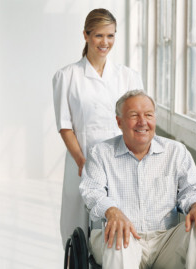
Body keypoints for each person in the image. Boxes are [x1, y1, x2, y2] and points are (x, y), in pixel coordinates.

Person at [80, 90, 196, 268]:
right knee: (119, 232)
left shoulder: (176, 152)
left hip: (165, 241)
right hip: (122, 238)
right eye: (134, 115)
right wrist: (112, 211)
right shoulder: (101, 153)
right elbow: (92, 191)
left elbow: (192, 190)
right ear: (119, 122)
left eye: (148, 115)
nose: (143, 122)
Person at [52, 8, 144, 249]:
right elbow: (64, 126)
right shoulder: (67, 76)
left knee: (118, 228)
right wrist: (82, 162)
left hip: (120, 161)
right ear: (86, 35)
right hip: (81, 160)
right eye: (99, 36)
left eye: (110, 36)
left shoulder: (128, 77)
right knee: (77, 231)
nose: (105, 42)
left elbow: (138, 121)